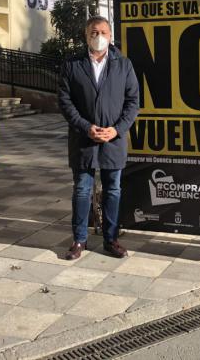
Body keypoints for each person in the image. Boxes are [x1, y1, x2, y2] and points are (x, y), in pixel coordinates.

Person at [58, 16, 139, 260]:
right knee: (82, 190)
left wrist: (117, 129)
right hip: (83, 140)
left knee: (113, 190)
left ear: (111, 36)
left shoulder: (123, 65)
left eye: (104, 32)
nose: (99, 37)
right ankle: (79, 240)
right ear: (86, 36)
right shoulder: (72, 64)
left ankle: (111, 239)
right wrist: (85, 126)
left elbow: (133, 102)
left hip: (113, 141)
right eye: (94, 32)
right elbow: (65, 101)